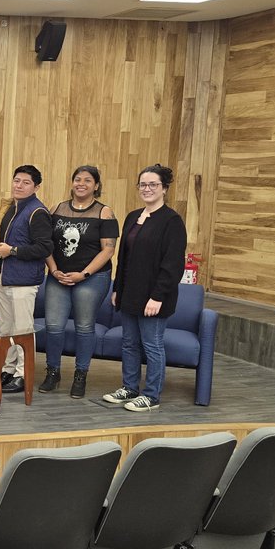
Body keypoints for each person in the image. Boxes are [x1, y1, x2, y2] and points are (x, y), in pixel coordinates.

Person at [102, 164, 186, 412]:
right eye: (143, 184)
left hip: (155, 296)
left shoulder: (172, 221)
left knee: (152, 345)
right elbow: (124, 259)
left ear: (164, 189)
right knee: (129, 343)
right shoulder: (132, 216)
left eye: (153, 185)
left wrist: (157, 296)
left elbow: (173, 264)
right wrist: (117, 288)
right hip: (130, 293)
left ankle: (151, 395)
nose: (147, 189)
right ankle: (129, 388)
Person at [42, 166, 118, 398]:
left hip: (91, 278)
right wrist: (54, 270)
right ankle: (53, 372)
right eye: (77, 179)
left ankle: (80, 375)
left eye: (87, 180)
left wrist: (83, 274)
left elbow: (108, 250)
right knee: (54, 326)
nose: (81, 183)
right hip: (58, 276)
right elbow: (46, 243)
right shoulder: (57, 208)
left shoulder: (104, 212)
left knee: (84, 327)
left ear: (96, 185)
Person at [0, 165, 54, 394]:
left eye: (26, 182)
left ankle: (23, 375)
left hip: (24, 281)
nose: (19, 185)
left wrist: (12, 250)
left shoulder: (38, 212)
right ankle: (8, 370)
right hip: (3, 277)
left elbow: (45, 248)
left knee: (23, 331)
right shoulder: (9, 209)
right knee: (7, 329)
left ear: (36, 187)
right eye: (17, 180)